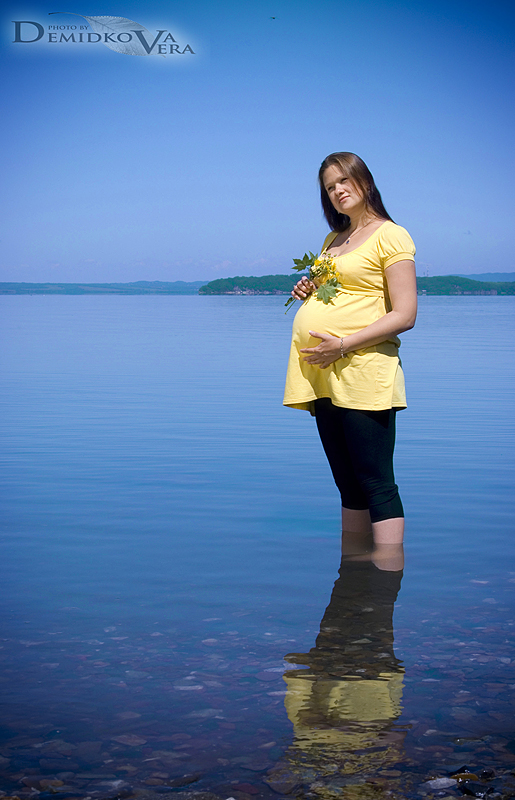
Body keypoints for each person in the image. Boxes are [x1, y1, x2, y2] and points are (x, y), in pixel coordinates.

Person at [283, 152, 417, 551]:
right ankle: (354, 573)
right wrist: (307, 288)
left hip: (363, 369)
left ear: (365, 181)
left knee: (376, 481)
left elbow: (406, 313)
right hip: (324, 373)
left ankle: (388, 575)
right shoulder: (333, 240)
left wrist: (341, 344)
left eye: (344, 180)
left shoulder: (391, 235)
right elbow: (340, 291)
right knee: (346, 482)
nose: (337, 190)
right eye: (329, 187)